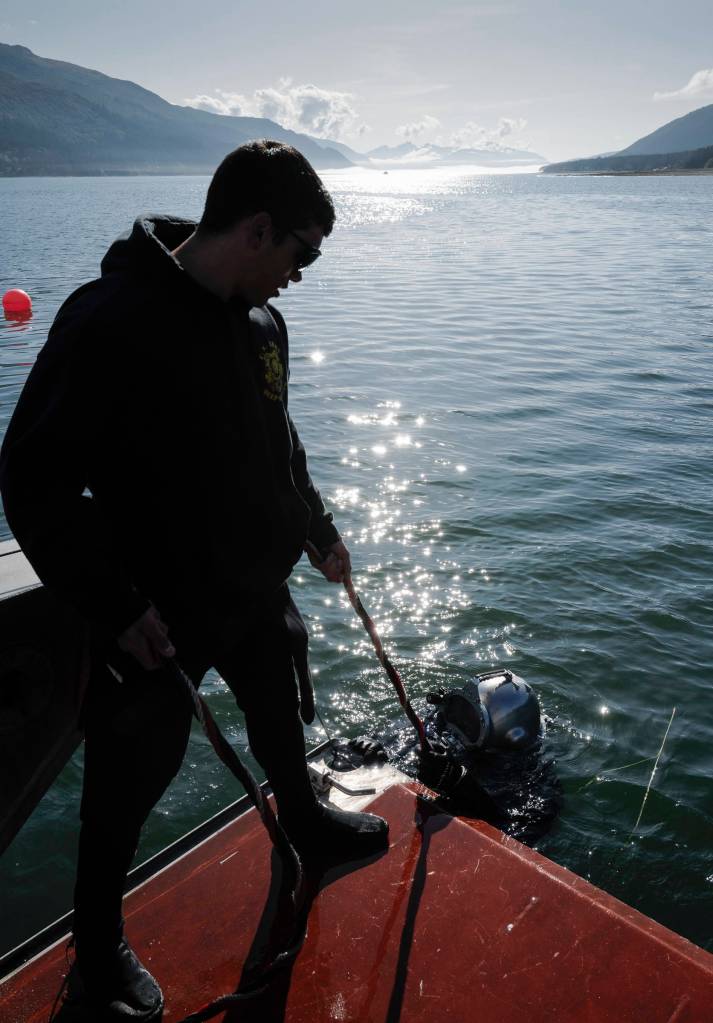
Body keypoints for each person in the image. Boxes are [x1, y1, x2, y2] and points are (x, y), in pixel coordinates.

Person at [0, 140, 388, 1021]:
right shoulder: (109, 321)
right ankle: (96, 954)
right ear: (256, 230)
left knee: (277, 711)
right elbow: (34, 478)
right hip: (155, 612)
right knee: (129, 779)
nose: (303, 275)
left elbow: (278, 447)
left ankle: (304, 821)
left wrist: (317, 529)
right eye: (303, 252)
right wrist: (115, 604)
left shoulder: (261, 323)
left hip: (253, 589)